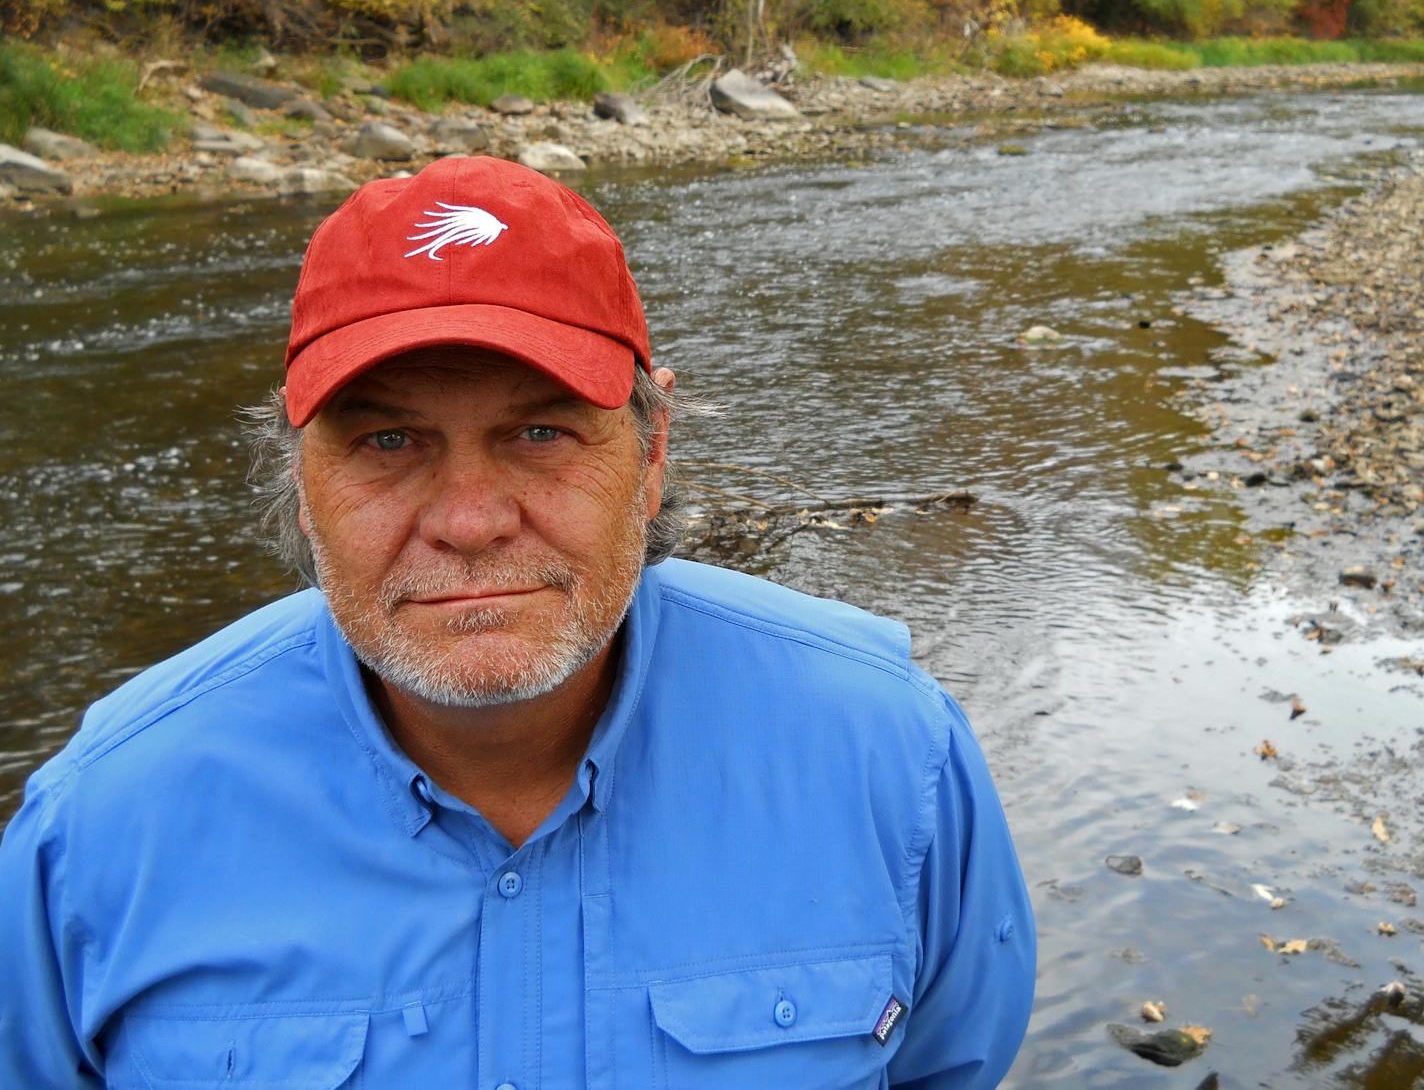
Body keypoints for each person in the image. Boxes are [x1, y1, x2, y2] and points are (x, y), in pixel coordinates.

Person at [0, 155, 1035, 1088]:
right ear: (299, 476)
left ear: (653, 448)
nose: (469, 521)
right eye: (388, 441)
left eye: (539, 430)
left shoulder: (890, 758)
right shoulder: (98, 830)